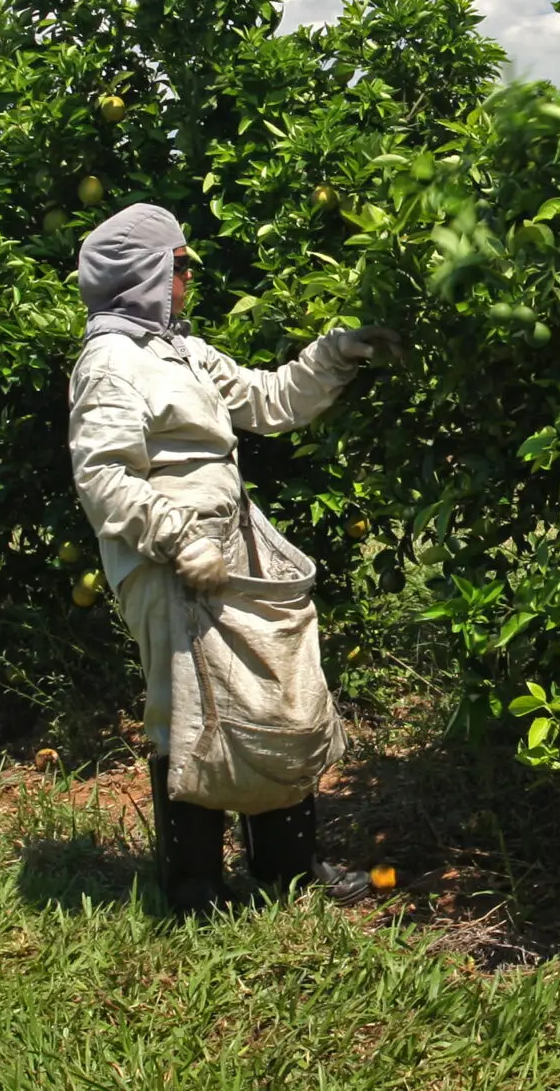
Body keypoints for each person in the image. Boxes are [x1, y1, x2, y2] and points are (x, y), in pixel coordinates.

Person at [67, 202, 398, 912]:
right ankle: (193, 886)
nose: (188, 274)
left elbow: (268, 398)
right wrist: (178, 536)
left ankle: (288, 869)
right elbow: (104, 477)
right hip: (169, 558)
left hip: (226, 546)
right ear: (146, 270)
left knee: (270, 697)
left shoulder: (177, 348)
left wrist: (336, 352)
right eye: (179, 262)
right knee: (186, 711)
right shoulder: (112, 361)